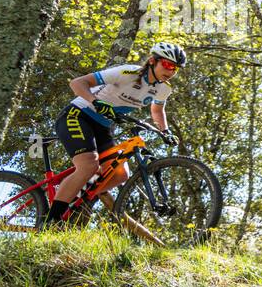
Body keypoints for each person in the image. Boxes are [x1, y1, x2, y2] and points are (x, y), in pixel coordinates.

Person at [45, 43, 186, 226]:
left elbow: (157, 111)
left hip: (103, 125)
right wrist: (95, 101)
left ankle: (75, 195)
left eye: (175, 68)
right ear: (153, 61)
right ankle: (50, 220)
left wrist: (165, 131)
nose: (171, 71)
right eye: (167, 64)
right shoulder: (128, 73)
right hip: (78, 114)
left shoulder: (164, 88)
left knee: (120, 175)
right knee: (88, 165)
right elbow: (77, 83)